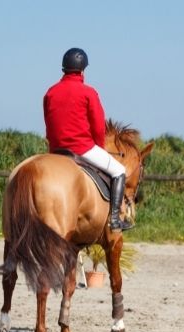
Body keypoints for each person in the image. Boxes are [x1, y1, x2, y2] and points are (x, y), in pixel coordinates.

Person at [43, 47, 133, 232]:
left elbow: (48, 123)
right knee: (119, 170)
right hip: (82, 148)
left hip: (56, 151)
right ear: (83, 70)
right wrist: (99, 147)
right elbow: (99, 126)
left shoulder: (50, 92)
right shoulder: (88, 92)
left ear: (63, 69)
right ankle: (114, 220)